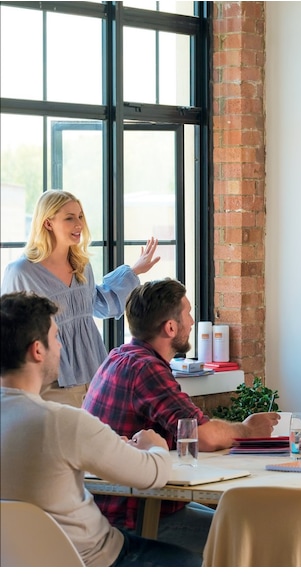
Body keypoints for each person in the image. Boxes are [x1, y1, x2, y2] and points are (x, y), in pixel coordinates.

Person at [0, 291, 200, 567]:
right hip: (98, 560)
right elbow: (152, 474)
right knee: (201, 559)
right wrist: (155, 445)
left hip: (19, 565)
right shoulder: (62, 422)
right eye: (56, 337)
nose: (60, 347)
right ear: (37, 350)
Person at [83, 278, 280, 554]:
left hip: (123, 504)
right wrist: (249, 430)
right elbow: (203, 435)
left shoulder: (119, 356)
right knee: (256, 536)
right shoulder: (146, 369)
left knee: (236, 518)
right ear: (171, 327)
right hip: (132, 516)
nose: (192, 321)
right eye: (187, 313)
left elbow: (186, 428)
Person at [1, 190, 160, 408]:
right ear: (48, 223)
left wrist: (134, 271)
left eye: (80, 216)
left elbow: (99, 303)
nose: (79, 224)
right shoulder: (21, 272)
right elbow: (9, 331)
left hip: (94, 374)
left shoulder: (81, 266)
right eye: (69, 218)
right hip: (52, 380)